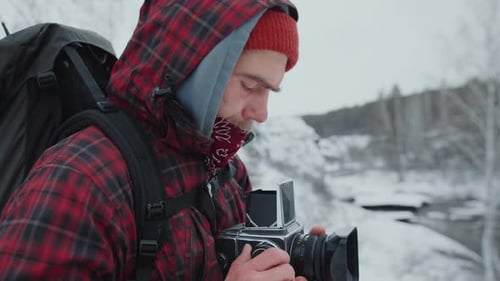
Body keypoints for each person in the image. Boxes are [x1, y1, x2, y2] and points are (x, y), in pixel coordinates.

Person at [0, 0, 324, 280]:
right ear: (195, 70)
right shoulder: (82, 179)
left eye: (270, 90)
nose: (262, 111)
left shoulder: (228, 174)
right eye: (250, 86)